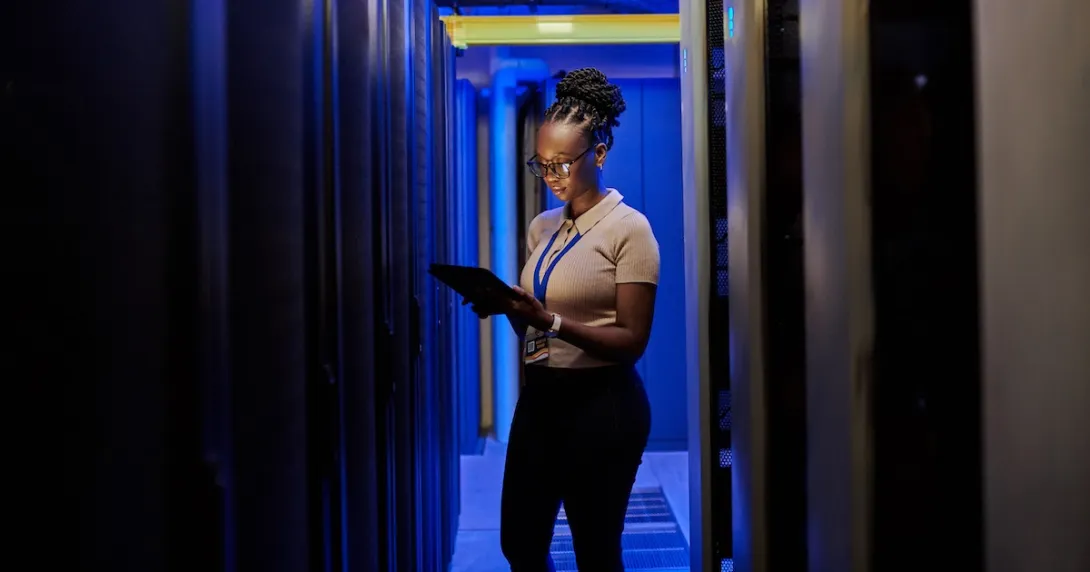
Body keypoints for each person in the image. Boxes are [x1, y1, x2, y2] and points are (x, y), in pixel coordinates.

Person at [471, 68, 660, 571]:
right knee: (521, 544)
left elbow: (631, 340)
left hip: (604, 406)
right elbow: (536, 328)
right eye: (542, 165)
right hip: (541, 401)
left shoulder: (630, 230)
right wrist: (514, 311)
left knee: (595, 550)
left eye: (563, 164)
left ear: (598, 153)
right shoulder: (543, 227)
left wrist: (549, 320)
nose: (552, 176)